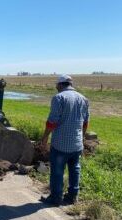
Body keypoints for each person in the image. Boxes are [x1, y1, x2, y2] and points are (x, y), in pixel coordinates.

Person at [40, 75, 89, 206]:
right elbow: (85, 123)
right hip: (76, 144)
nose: (56, 87)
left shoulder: (59, 98)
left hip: (60, 144)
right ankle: (72, 197)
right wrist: (82, 138)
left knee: (57, 171)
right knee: (75, 170)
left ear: (61, 85)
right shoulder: (83, 99)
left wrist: (44, 138)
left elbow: (52, 122)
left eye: (57, 85)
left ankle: (55, 198)